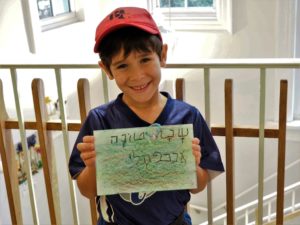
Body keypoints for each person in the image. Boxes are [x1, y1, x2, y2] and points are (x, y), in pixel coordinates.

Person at [69, 6, 224, 225]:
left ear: (162, 55)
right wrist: (94, 166)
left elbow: (198, 185)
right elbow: (87, 190)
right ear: (107, 69)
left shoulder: (188, 116)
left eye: (144, 60)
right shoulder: (100, 120)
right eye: (122, 66)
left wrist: (192, 164)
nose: (137, 75)